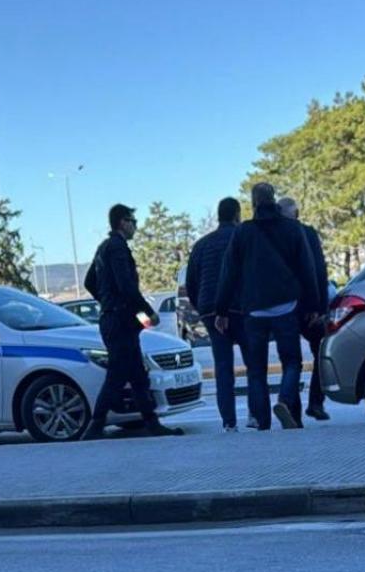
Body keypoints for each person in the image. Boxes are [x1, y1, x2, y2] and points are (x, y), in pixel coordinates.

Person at [214, 183, 320, 430]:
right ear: (274, 200)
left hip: (254, 309)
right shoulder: (292, 229)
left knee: (256, 370)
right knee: (292, 361)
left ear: (253, 204)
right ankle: (285, 399)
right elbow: (307, 268)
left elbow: (228, 273)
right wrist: (313, 304)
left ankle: (263, 422)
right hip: (286, 305)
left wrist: (221, 310)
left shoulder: (243, 232)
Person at [81, 204, 184, 440]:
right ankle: (95, 426)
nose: (135, 226)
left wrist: (107, 300)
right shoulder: (117, 248)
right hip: (120, 320)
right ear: (122, 222)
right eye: (133, 221)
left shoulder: (103, 248)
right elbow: (127, 287)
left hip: (115, 317)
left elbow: (90, 282)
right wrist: (148, 313)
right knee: (118, 374)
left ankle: (151, 423)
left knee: (137, 374)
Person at [185, 197, 243, 432]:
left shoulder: (201, 245)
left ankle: (229, 421)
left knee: (222, 365)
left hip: (209, 310)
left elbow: (191, 282)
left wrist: (202, 307)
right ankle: (258, 415)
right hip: (239, 308)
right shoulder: (241, 238)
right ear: (237, 215)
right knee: (253, 361)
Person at [278, 197, 331, 422]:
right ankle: (316, 402)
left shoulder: (274, 236)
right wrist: (318, 306)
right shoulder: (307, 233)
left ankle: (294, 413)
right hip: (308, 306)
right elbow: (318, 269)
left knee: (291, 361)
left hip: (284, 307)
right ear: (297, 213)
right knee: (321, 350)